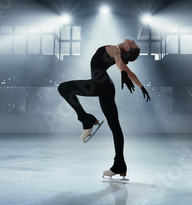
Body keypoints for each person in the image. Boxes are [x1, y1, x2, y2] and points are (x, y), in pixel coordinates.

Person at [58, 39, 151, 178]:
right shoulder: (118, 52)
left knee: (64, 88)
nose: (133, 41)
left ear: (127, 47)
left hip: (100, 85)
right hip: (107, 87)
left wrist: (124, 73)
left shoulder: (115, 49)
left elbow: (119, 62)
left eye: (133, 44)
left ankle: (85, 119)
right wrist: (141, 86)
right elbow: (128, 71)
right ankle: (120, 164)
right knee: (115, 126)